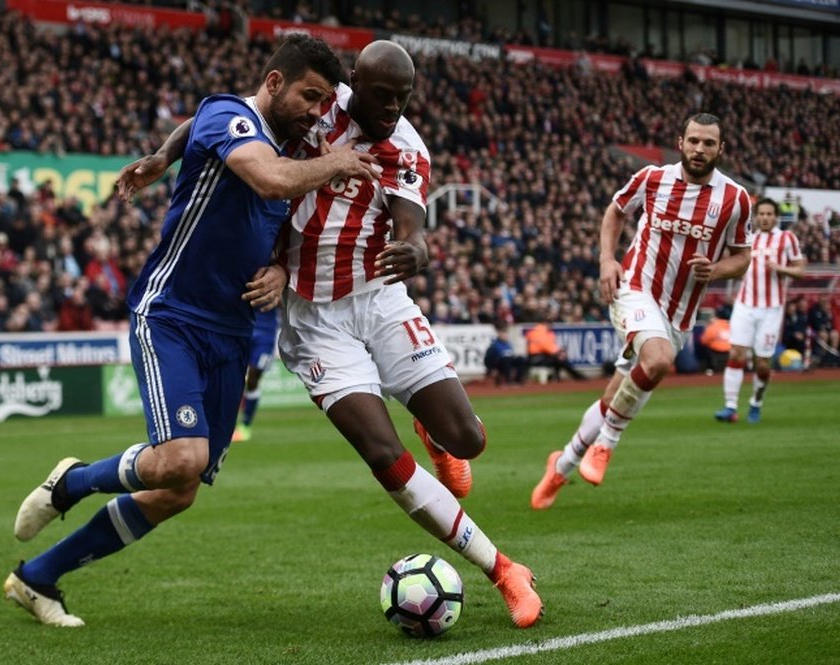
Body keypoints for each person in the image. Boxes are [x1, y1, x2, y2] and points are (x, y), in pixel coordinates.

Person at [128, 40, 545, 628]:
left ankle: (430, 423)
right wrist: (160, 157)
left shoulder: (407, 148)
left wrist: (417, 248)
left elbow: (411, 222)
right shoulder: (317, 105)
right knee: (380, 452)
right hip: (313, 321)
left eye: (404, 98)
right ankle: (503, 569)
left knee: (468, 439)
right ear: (355, 84)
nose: (393, 108)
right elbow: (210, 120)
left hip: (377, 299)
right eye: (382, 96)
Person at [4, 35, 379, 628]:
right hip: (172, 314)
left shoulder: (287, 143)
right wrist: (339, 161)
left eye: (324, 101)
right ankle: (73, 482)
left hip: (231, 334)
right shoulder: (233, 117)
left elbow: (277, 218)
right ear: (275, 82)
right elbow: (267, 177)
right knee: (180, 457)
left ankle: (37, 577)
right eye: (310, 96)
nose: (316, 111)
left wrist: (280, 268)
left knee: (178, 489)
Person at [531, 113, 753, 510]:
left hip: (678, 315)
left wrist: (715, 270)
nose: (699, 149)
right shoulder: (652, 178)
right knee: (659, 359)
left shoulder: (735, 199)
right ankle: (606, 445)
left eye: (708, 143)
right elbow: (615, 212)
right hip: (633, 287)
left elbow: (742, 257)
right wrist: (606, 260)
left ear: (722, 149)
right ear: (680, 141)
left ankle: (561, 465)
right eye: (693, 141)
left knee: (618, 393)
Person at [715, 198, 806, 424]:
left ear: (775, 217)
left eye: (768, 214)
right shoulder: (748, 239)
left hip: (771, 309)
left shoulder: (787, 239)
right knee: (736, 353)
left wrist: (780, 268)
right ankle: (730, 407)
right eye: (761, 214)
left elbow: (801, 270)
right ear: (756, 216)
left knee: (763, 363)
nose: (764, 217)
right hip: (745, 305)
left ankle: (756, 402)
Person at [231, 306, 280, 442]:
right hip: (242, 329)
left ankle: (245, 426)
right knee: (233, 379)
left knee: (253, 380)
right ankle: (228, 426)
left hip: (265, 335)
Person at [484, 319, 528, 385]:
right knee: (506, 359)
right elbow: (488, 359)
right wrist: (491, 369)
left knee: (521, 359)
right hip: (500, 364)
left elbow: (512, 355)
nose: (506, 335)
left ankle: (518, 381)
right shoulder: (494, 345)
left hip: (508, 363)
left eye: (506, 333)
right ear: (499, 334)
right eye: (504, 333)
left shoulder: (509, 344)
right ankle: (508, 381)